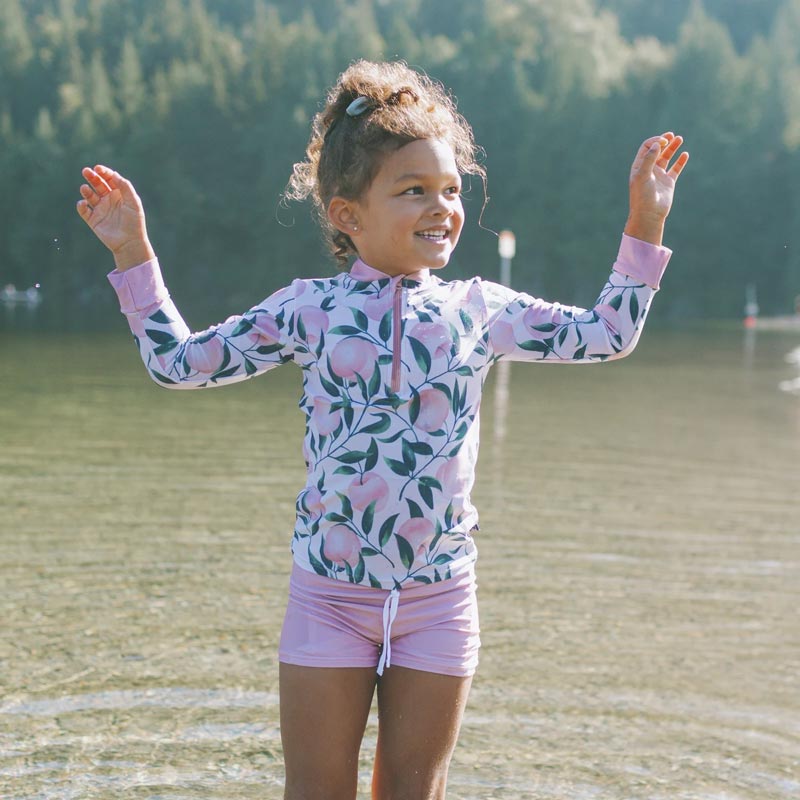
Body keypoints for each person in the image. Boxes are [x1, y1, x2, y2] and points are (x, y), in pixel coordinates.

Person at [76, 59, 688, 800]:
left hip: (439, 601)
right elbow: (179, 364)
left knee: (411, 793)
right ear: (347, 215)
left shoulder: (478, 308)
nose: (443, 208)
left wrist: (645, 224)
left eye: (452, 190)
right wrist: (132, 254)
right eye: (414, 191)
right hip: (329, 598)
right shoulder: (310, 309)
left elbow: (607, 334)